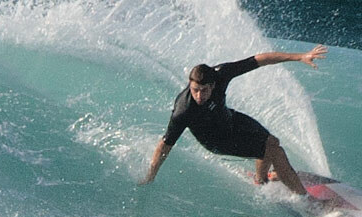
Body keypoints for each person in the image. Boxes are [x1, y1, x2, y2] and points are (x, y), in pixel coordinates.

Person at [140, 45, 328, 197]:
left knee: (272, 142)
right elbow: (165, 145)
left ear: (213, 85)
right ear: (190, 84)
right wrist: (150, 175)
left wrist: (299, 57)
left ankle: (260, 180)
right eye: (195, 89)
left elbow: (259, 60)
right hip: (216, 140)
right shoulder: (184, 110)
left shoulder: (221, 74)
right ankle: (305, 199)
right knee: (274, 151)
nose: (199, 95)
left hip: (229, 119)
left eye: (204, 90)